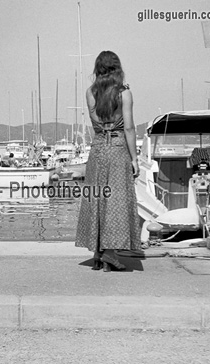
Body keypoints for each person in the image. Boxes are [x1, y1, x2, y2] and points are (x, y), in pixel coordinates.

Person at [75, 51, 141, 272]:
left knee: (97, 198)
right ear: (117, 68)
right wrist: (134, 159)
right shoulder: (124, 93)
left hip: (98, 148)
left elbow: (95, 126)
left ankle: (97, 252)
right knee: (116, 201)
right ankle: (111, 254)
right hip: (118, 148)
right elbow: (129, 128)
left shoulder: (90, 93)